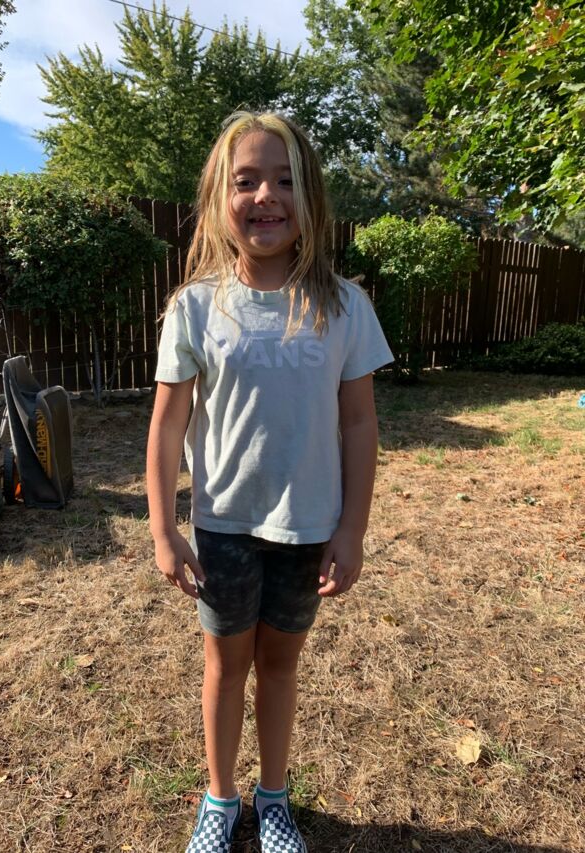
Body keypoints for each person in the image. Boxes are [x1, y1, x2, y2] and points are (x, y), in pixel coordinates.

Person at [146, 111, 393, 853]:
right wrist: (164, 530)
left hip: (307, 527)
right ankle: (220, 799)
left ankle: (274, 796)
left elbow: (359, 424)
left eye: (285, 180)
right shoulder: (196, 307)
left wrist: (351, 529)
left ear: (310, 196)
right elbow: (167, 425)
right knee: (225, 667)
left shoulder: (344, 305)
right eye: (246, 180)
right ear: (219, 197)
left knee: (280, 666)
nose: (266, 196)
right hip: (223, 527)